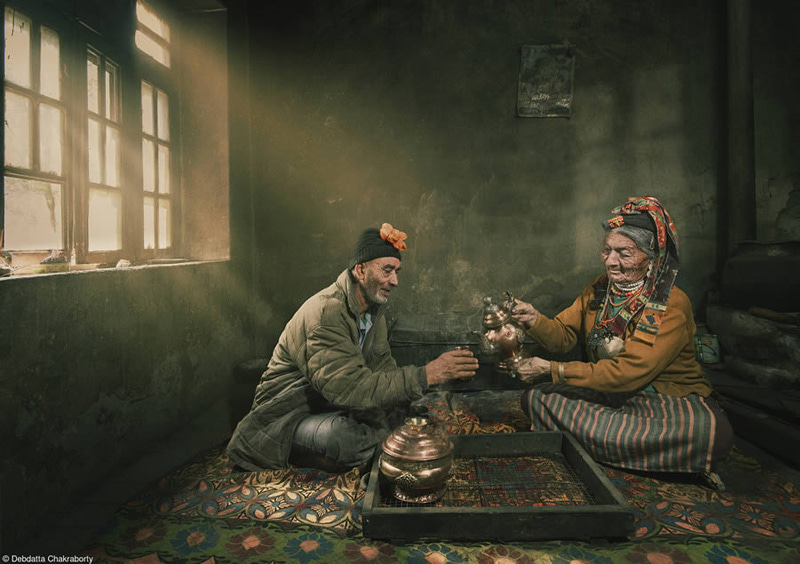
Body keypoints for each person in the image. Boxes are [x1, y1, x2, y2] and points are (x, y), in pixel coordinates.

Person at [511, 196, 733, 485]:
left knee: (710, 433)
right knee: (537, 399)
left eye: (624, 253)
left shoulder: (668, 303)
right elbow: (563, 338)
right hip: (609, 396)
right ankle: (646, 456)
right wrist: (533, 319)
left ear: (650, 256)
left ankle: (610, 444)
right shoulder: (599, 289)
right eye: (606, 250)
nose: (611, 261)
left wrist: (551, 369)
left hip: (660, 405)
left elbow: (627, 375)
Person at [227, 222, 479, 472]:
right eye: (387, 270)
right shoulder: (326, 314)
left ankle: (369, 443)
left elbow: (383, 373)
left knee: (403, 416)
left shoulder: (372, 312)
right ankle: (323, 454)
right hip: (287, 417)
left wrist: (408, 401)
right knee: (345, 438)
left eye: (397, 271)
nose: (395, 281)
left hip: (330, 406)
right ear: (360, 271)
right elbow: (351, 389)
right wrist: (428, 374)